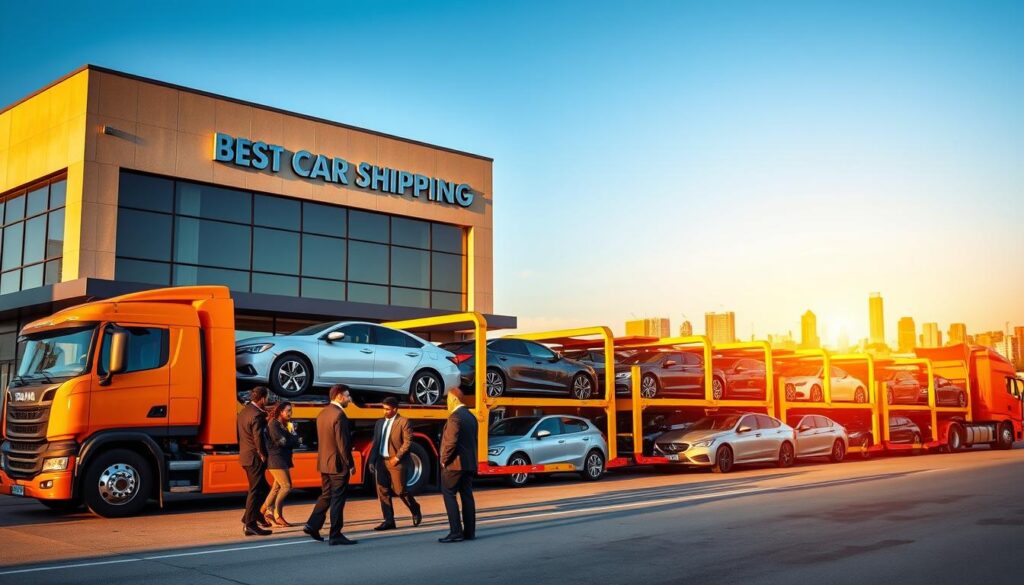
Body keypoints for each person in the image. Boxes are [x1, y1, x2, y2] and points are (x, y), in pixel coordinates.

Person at [304, 384, 358, 545]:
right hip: (338, 465)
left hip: (324, 463)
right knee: (337, 499)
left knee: (326, 495)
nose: (349, 399)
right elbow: (343, 444)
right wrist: (350, 463)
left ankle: (312, 524)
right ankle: (335, 534)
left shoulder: (323, 413)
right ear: (340, 396)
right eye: (347, 396)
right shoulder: (339, 415)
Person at [368, 397, 423, 531]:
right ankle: (389, 520)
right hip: (382, 461)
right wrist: (371, 460)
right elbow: (376, 443)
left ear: (395, 409)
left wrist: (397, 458)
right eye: (383, 408)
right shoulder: (379, 423)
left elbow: (407, 442)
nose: (385, 411)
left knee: (400, 490)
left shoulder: (404, 422)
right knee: (382, 491)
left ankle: (415, 508)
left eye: (387, 409)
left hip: (396, 462)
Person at [438, 387, 478, 543]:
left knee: (449, 494)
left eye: (447, 400)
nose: (447, 403)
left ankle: (455, 532)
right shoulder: (471, 417)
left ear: (454, 399)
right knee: (467, 496)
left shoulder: (455, 417)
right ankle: (469, 532)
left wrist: (443, 459)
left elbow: (450, 442)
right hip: (469, 464)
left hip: (454, 464)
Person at [237, 386, 272, 536]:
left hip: (245, 456)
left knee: (264, 489)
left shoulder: (244, 411)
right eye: (267, 397)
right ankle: (250, 524)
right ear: (263, 398)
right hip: (255, 458)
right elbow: (258, 437)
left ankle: (252, 515)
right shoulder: (257, 415)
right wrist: (263, 453)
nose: (268, 400)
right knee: (256, 490)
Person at [260, 400, 300, 527]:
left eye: (291, 410)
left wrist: (293, 437)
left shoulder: (283, 425)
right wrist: (293, 437)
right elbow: (282, 442)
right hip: (276, 460)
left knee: (277, 487)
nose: (290, 413)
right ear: (280, 412)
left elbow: (295, 441)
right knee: (286, 486)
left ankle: (262, 512)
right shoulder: (273, 425)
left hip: (282, 459)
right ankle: (277, 515)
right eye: (288, 410)